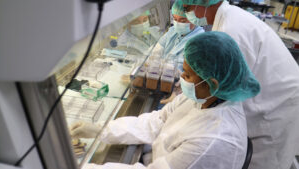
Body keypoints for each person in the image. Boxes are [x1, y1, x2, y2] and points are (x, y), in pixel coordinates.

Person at [70, 32, 260, 169]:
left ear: (212, 83)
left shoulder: (212, 141)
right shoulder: (207, 96)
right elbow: (157, 121)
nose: (181, 77)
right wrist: (102, 130)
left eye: (187, 74)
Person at [181, 0, 299, 169]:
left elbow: (221, 87)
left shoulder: (231, 29)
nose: (187, 14)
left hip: (276, 109)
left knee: (266, 161)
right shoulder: (228, 18)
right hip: (271, 95)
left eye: (187, 8)